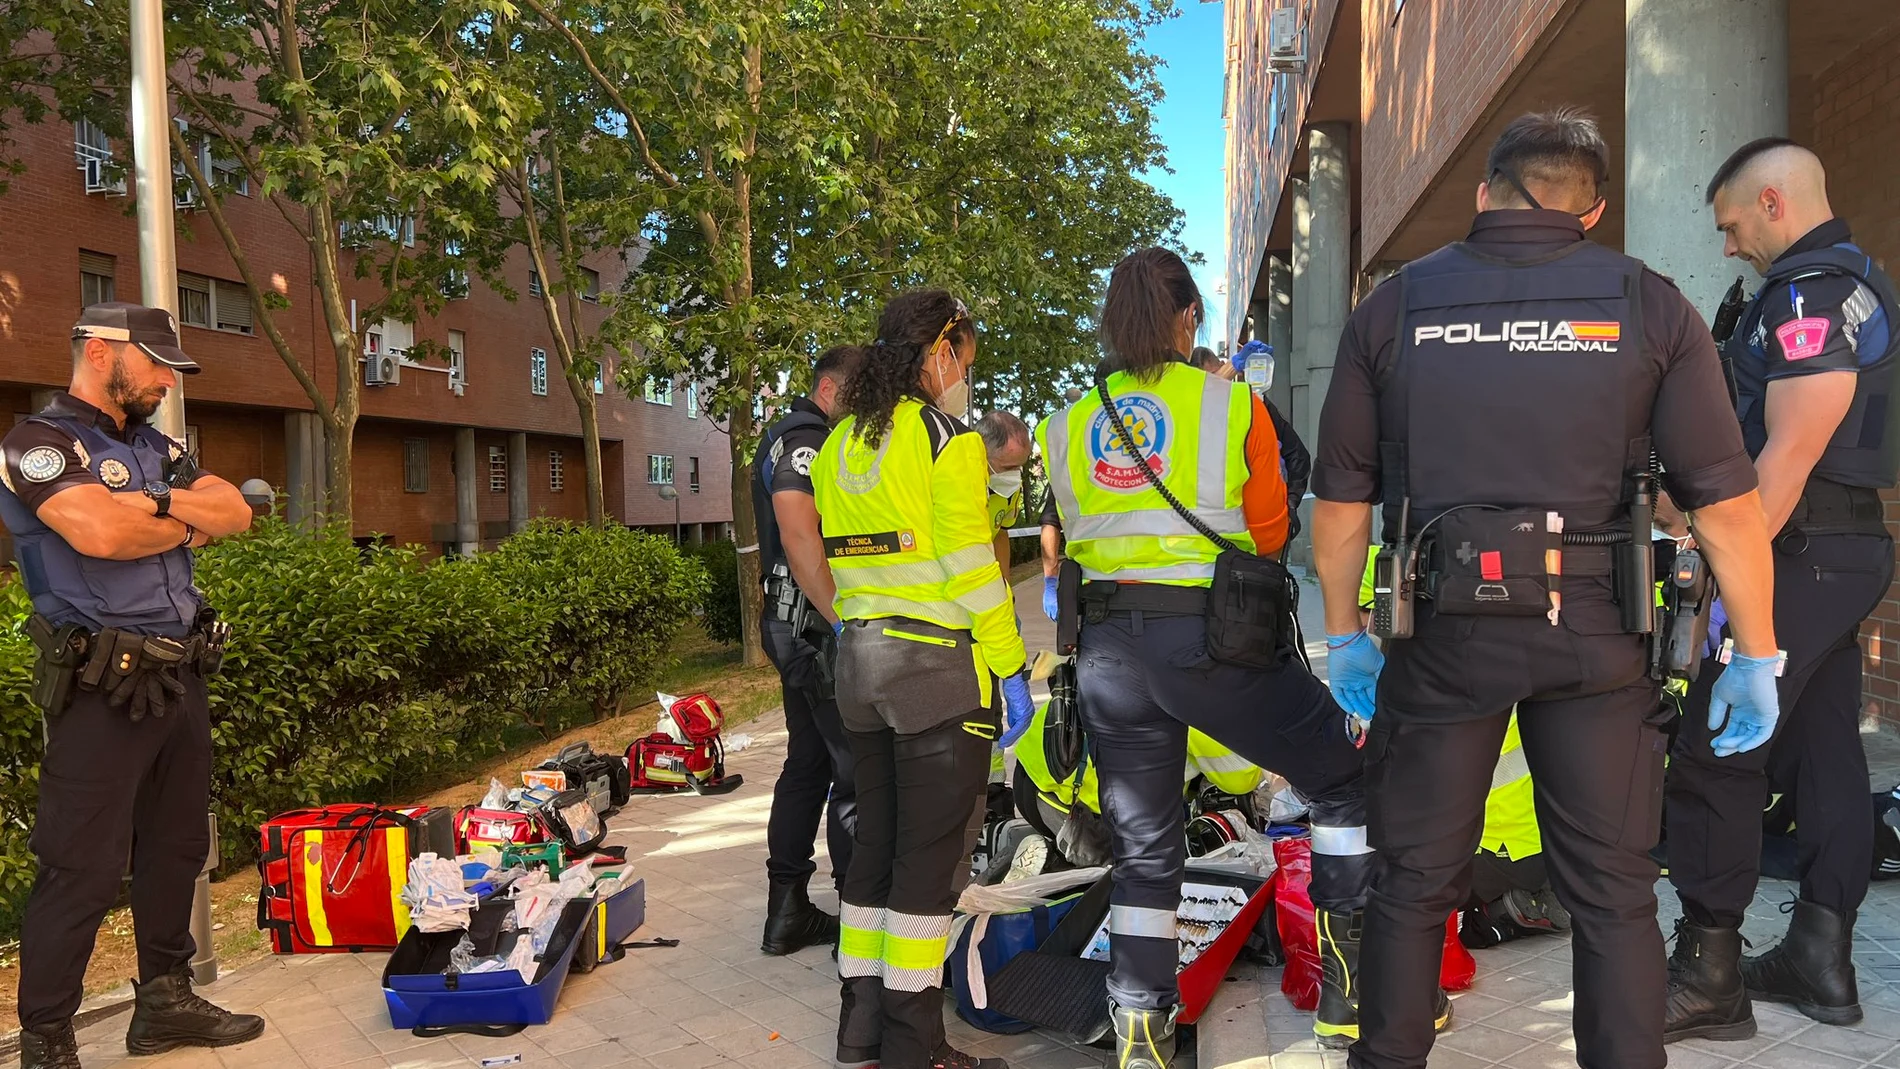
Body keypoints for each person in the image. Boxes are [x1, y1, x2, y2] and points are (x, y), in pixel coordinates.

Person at [1309, 109, 1781, 1069]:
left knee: (1411, 884)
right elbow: (1728, 508)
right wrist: (1758, 652)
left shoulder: (1395, 309)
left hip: (1440, 636)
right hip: (1597, 636)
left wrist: (1343, 629)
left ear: (1486, 193)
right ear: (1594, 208)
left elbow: (1341, 507)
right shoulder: (1647, 304)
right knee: (1612, 893)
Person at [1037, 247, 1379, 1064]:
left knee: (1145, 845)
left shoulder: (1065, 423)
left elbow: (1070, 542)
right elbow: (1267, 533)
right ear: (1188, 316)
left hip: (1111, 654)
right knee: (1340, 774)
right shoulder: (1231, 407)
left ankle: (1142, 1035)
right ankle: (1347, 992)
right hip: (1218, 642)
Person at [1663, 138, 1900, 1038]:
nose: (1726, 246)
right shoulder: (1837, 283)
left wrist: (1722, 570)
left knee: (1716, 743)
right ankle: (1818, 956)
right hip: (1833, 550)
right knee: (1821, 747)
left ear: (1772, 201)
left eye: (1729, 226)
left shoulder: (1814, 294)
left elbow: (1789, 456)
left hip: (1800, 549)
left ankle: (1708, 972)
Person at [0, 304, 260, 1069]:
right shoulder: (37, 443)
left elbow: (236, 511)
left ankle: (164, 1003)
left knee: (176, 847)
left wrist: (150, 504)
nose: (166, 382)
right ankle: (46, 1036)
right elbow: (97, 534)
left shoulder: (155, 446)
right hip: (100, 686)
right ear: (103, 351)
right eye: (157, 365)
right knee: (80, 864)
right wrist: (184, 519)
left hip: (178, 674)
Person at [811, 289, 1032, 1069]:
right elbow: (973, 572)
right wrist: (1009, 666)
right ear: (939, 353)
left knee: (873, 853)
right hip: (934, 674)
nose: (964, 376)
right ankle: (917, 1049)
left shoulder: (840, 445)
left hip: (860, 667)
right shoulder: (948, 441)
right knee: (929, 862)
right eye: (964, 360)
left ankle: (861, 1034)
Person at [754, 344, 865, 956]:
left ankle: (787, 910)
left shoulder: (778, 435)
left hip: (790, 627)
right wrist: (843, 619)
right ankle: (859, 917)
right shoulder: (808, 442)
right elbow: (801, 540)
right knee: (851, 770)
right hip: (814, 630)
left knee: (809, 764)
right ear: (829, 389)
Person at [1196, 344, 1310, 542]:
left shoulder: (1250, 404)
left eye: (1216, 376)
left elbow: (1298, 455)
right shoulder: (1187, 418)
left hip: (1258, 529)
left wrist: (1290, 504)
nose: (1214, 388)